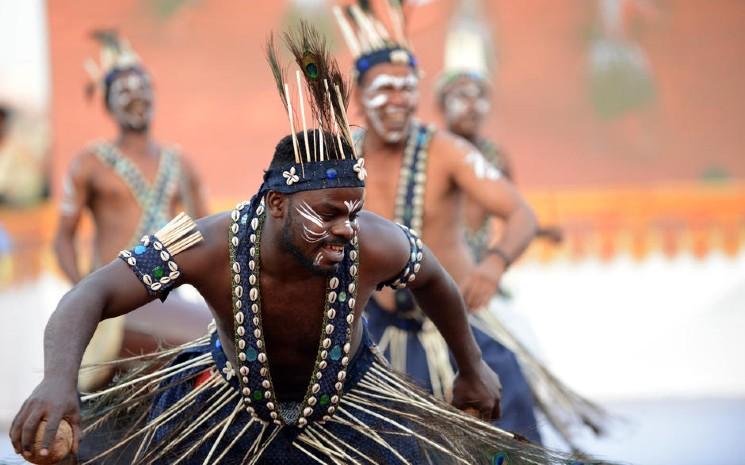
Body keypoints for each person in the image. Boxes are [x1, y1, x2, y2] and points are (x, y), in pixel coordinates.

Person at [7, 26, 582, 465]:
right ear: (277, 204)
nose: (345, 228)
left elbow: (433, 278)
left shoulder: (372, 240)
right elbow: (93, 291)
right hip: (232, 414)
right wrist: (59, 378)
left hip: (352, 406)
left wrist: (472, 364)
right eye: (327, 214)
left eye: (354, 212)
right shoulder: (208, 242)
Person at [334, 3, 604, 444]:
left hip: (457, 328)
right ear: (360, 96)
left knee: (505, 391)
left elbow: (521, 213)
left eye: (407, 89)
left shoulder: (446, 151)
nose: (398, 100)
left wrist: (493, 264)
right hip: (374, 330)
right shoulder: (341, 156)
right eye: (385, 89)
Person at [434, 1, 607, 449]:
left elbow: (514, 209)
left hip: (480, 288)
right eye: (460, 96)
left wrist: (523, 242)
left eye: (479, 97)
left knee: (522, 357)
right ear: (442, 105)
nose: (471, 106)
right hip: (434, 288)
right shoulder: (429, 153)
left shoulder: (491, 157)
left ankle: (552, 444)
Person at [53, 31, 210, 388]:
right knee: (207, 337)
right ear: (108, 103)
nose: (136, 97)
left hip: (170, 292)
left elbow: (206, 235)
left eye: (142, 88)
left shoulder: (180, 163)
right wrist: (85, 295)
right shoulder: (90, 163)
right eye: (124, 91)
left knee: (218, 337)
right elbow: (62, 237)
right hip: (114, 300)